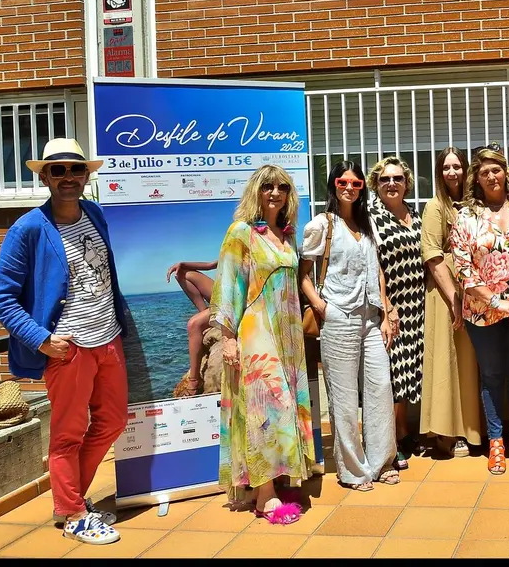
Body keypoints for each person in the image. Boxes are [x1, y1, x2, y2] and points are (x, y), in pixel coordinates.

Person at [0, 138, 128, 545]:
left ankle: (71, 501)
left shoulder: (95, 213)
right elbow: (0, 296)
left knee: (113, 421)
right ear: (45, 176)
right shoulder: (29, 228)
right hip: (67, 349)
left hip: (107, 338)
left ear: (87, 175)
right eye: (58, 170)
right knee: (67, 433)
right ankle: (72, 512)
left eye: (76, 169)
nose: (68, 177)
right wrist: (42, 339)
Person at [212, 164, 315, 523]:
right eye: (268, 186)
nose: (275, 192)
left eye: (282, 187)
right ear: (256, 191)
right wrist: (227, 338)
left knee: (281, 406)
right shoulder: (241, 232)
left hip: (287, 335)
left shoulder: (286, 235)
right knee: (267, 408)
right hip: (256, 331)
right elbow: (227, 285)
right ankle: (265, 496)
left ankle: (272, 480)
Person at [299, 161, 400, 491]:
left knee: (380, 387)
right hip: (338, 316)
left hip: (371, 318)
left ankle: (382, 461)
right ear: (333, 184)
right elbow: (303, 274)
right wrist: (320, 305)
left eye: (356, 184)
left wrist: (385, 312)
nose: (349, 188)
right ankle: (353, 471)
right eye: (343, 182)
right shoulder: (321, 225)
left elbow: (379, 270)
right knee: (342, 399)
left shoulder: (366, 223)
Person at [451, 143, 509, 475]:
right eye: (484, 171)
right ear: (476, 178)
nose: (492, 176)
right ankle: (495, 442)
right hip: (483, 311)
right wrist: (494, 300)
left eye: (497, 169)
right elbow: (463, 268)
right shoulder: (466, 215)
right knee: (491, 377)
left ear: (507, 172)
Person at [420, 147, 482, 458]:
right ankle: (448, 431)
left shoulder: (474, 205)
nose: (453, 172)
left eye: (457, 166)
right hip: (445, 293)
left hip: (472, 290)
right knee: (447, 360)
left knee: (470, 362)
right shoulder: (434, 207)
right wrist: (454, 298)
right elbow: (432, 255)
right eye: (446, 167)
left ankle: (472, 430)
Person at [367, 156, 427, 470]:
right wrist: (387, 308)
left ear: (407, 183)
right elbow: (373, 265)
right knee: (393, 374)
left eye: (398, 179)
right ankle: (392, 436)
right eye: (385, 179)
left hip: (418, 304)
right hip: (391, 306)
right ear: (376, 185)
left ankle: (403, 429)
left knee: (408, 374)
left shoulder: (415, 216)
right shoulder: (372, 217)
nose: (392, 184)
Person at [167, 259, 217, 396]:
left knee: (193, 324)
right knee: (182, 273)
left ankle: (195, 380)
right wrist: (182, 264)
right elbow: (210, 265)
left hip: (237, 297)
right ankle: (204, 315)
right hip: (224, 291)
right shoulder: (237, 243)